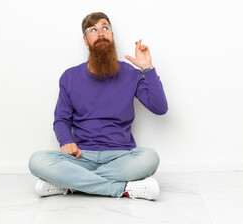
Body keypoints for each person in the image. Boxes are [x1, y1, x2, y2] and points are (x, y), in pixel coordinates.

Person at [28, 12, 168, 201]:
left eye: (105, 28)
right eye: (93, 30)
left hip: (120, 157)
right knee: (37, 160)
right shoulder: (69, 77)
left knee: (150, 157)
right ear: (86, 40)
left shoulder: (131, 74)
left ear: (111, 35)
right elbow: (61, 119)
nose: (100, 33)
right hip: (80, 157)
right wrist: (65, 141)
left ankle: (68, 185)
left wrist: (147, 69)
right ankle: (124, 189)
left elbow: (160, 108)